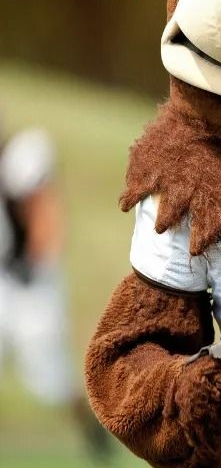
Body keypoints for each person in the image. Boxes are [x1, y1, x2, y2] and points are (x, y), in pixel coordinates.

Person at [0, 126, 110, 461]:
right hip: (4, 286)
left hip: (35, 292)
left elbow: (47, 221)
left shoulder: (23, 158)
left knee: (54, 383)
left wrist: (33, 259)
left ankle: (94, 434)